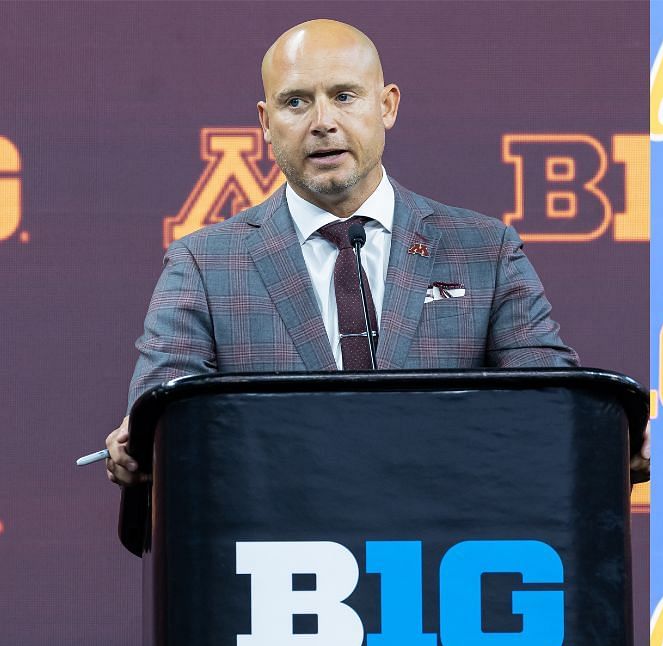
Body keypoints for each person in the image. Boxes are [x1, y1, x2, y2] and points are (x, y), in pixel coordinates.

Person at [104, 19, 580, 490]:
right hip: (275, 542)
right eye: (295, 102)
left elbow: (553, 402)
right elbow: (160, 415)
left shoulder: (485, 250)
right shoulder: (203, 265)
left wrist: (615, 439)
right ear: (266, 124)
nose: (323, 123)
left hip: (445, 538)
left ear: (387, 105)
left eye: (344, 96)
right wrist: (141, 440)